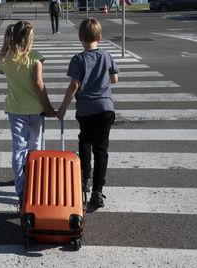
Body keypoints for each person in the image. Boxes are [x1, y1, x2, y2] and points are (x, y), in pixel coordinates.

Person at [56, 18, 119, 209]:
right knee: (101, 149)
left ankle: (85, 179)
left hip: (85, 110)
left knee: (85, 141)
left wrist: (62, 108)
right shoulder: (107, 56)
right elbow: (114, 79)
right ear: (99, 37)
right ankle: (98, 192)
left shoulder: (78, 59)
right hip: (105, 109)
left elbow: (74, 85)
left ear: (80, 37)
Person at [0, 21, 55, 209]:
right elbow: (39, 84)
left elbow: (0, 70)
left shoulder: (6, 58)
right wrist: (48, 106)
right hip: (36, 110)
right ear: (29, 38)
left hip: (15, 110)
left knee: (18, 149)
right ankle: (35, 187)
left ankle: (21, 192)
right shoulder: (35, 57)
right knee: (35, 148)